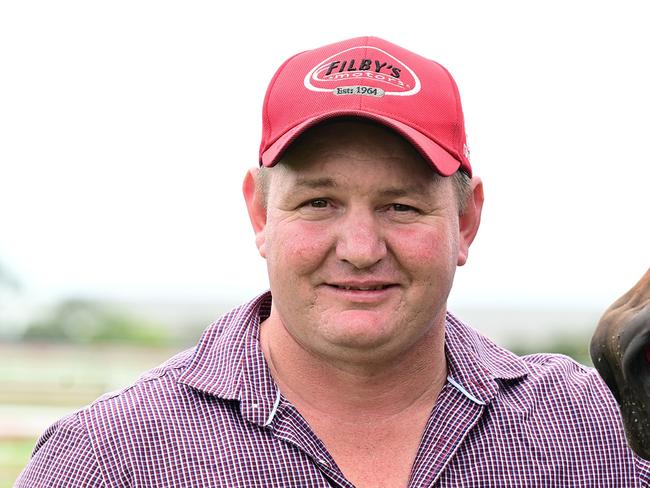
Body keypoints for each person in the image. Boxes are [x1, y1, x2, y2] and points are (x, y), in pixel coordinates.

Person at [17, 36, 650, 487]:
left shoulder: (599, 434)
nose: (360, 248)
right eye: (319, 202)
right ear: (261, 215)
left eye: (400, 206)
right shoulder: (106, 460)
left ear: (466, 220)